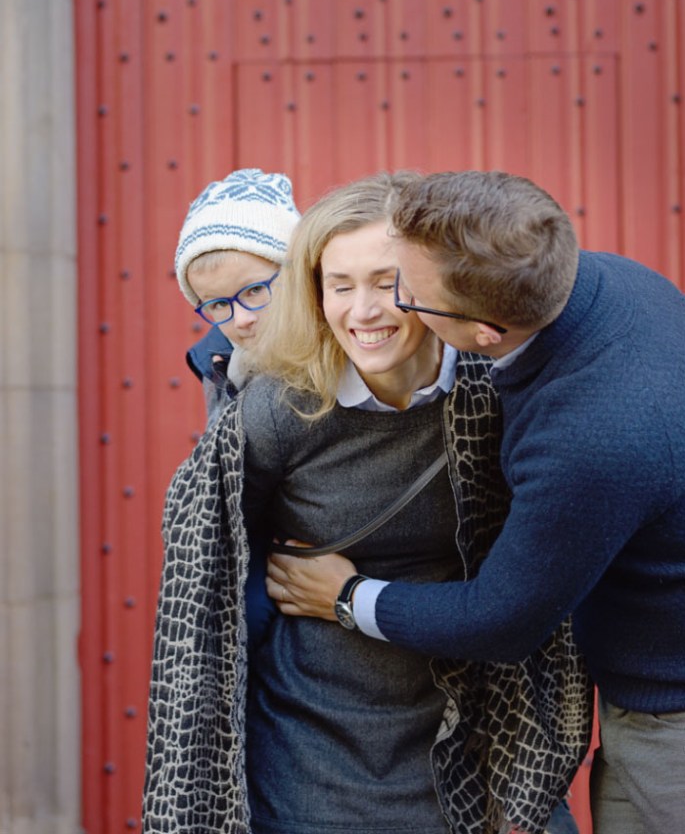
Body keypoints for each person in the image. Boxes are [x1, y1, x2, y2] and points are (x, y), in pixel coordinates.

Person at [143, 174, 591, 834]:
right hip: (314, 746)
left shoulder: (494, 388)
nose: (363, 311)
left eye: (387, 282)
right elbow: (203, 575)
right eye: (339, 284)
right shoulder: (278, 408)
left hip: (471, 733)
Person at [267, 170, 685, 834]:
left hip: (671, 726)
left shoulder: (588, 438)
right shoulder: (608, 282)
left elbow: (500, 620)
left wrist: (345, 597)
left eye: (404, 289)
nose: (381, 305)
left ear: (483, 336)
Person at [175, 167, 300, 427]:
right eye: (219, 304)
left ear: (297, 274)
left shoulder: (353, 345)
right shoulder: (220, 364)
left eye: (254, 290)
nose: (242, 319)